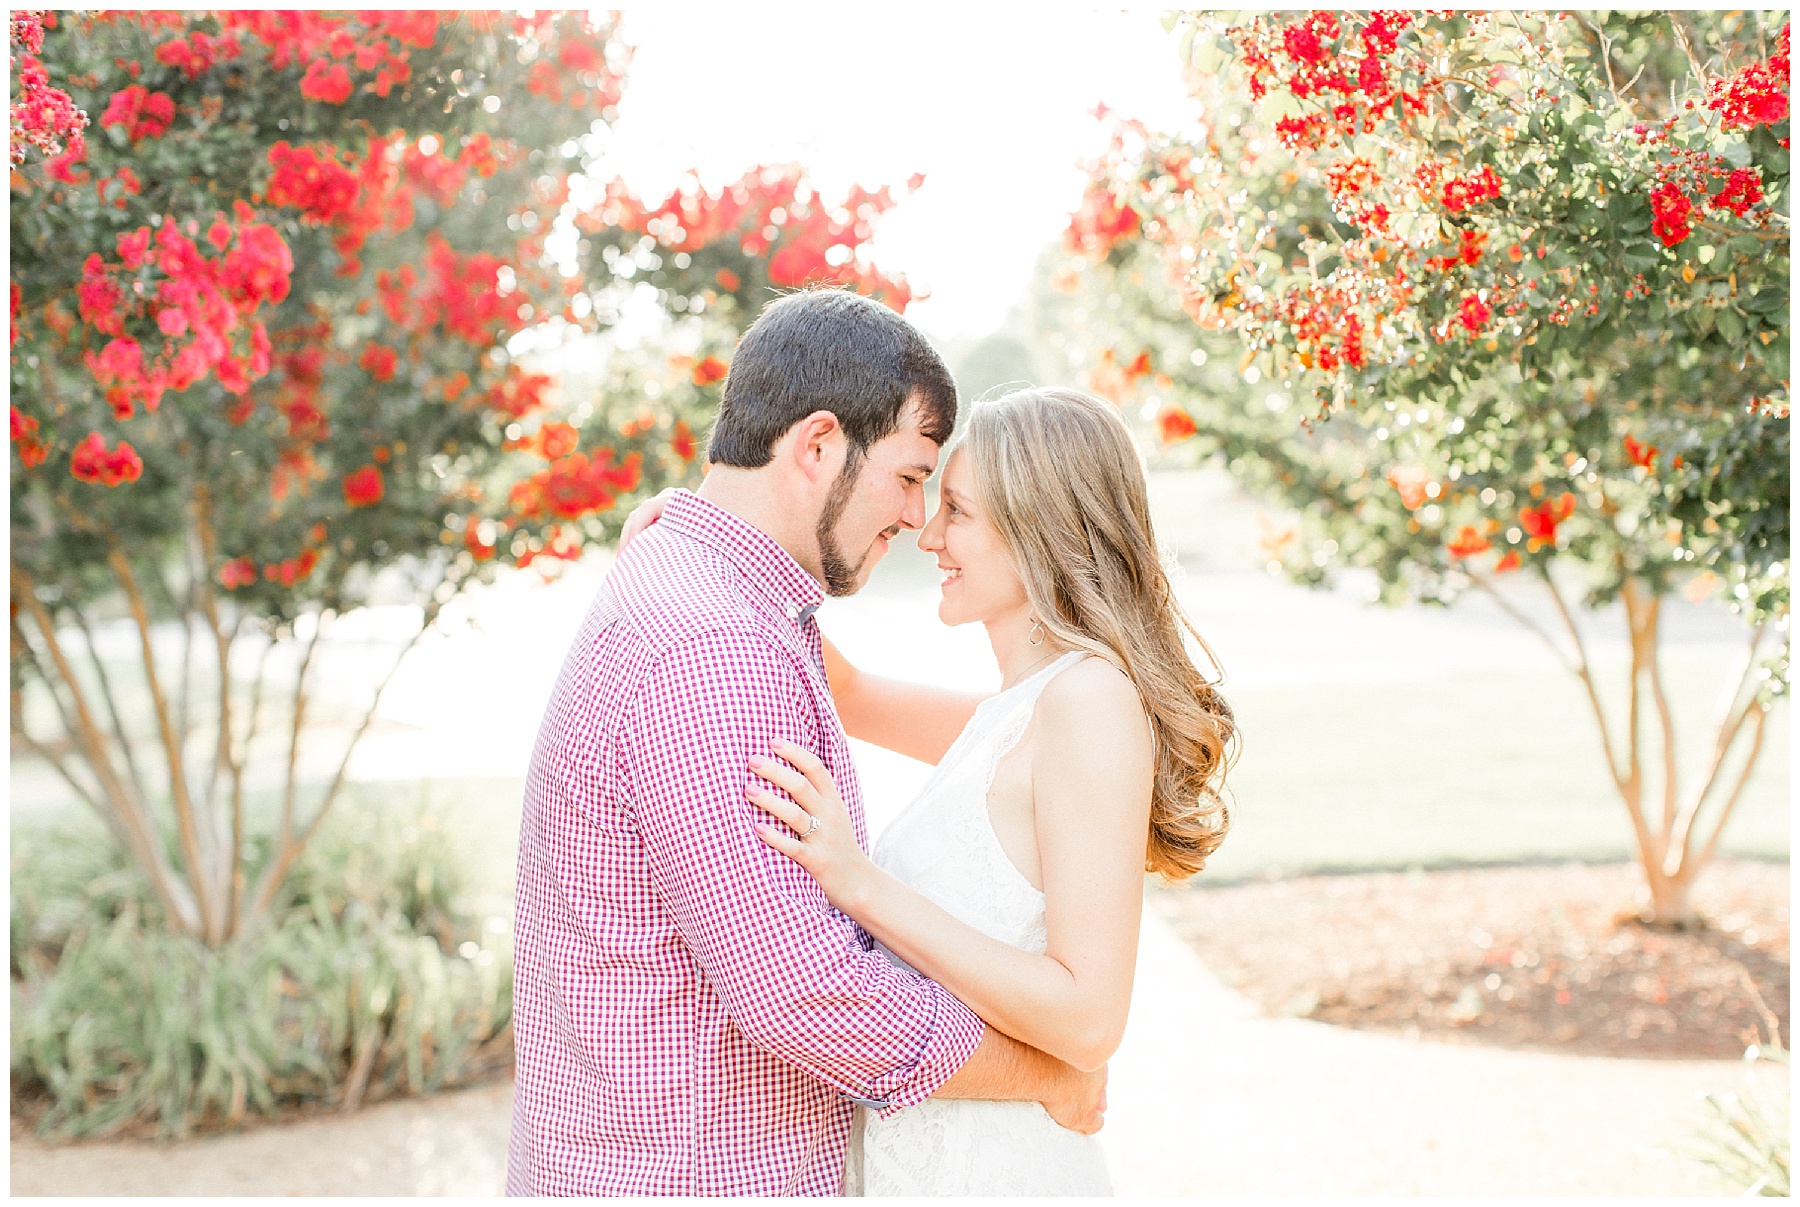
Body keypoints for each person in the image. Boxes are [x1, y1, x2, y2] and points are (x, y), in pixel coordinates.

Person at [506, 291, 1106, 1198]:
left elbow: (878, 699)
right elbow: (804, 990)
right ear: (819, 444)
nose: (918, 521)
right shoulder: (715, 649)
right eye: (910, 477)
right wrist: (1046, 1078)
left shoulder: (700, 588)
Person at [621, 385, 1237, 1195]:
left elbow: (1090, 1019)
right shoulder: (1019, 713)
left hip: (1000, 1172)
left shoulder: (1089, 704)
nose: (929, 534)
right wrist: (701, 533)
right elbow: (850, 692)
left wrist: (860, 884)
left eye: (958, 511)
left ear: (1040, 529)